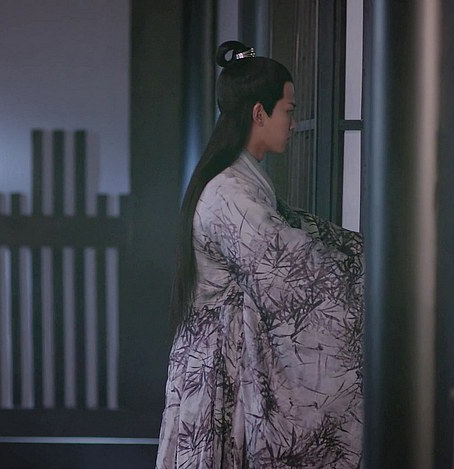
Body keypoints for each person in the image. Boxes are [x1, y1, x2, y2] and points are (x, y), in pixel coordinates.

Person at [156, 41, 364, 469]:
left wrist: (364, 252)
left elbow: (298, 229)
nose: (293, 121)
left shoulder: (239, 180)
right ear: (259, 113)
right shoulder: (229, 191)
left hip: (222, 361)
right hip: (222, 370)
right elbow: (294, 268)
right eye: (288, 109)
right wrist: (383, 276)